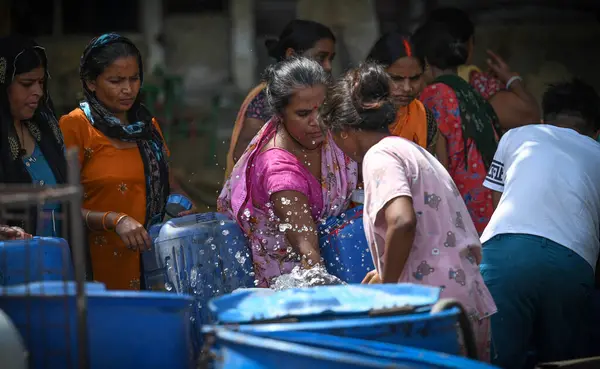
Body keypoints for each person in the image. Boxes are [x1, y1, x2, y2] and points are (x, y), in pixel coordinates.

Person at [321, 62, 496, 361]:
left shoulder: (379, 156)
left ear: (345, 130)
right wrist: (385, 270)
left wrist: (388, 289)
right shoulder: (411, 150)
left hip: (434, 307)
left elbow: (402, 221)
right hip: (464, 298)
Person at [479, 79, 600, 368]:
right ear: (596, 131)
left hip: (505, 253)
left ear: (545, 120)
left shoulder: (517, 135)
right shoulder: (597, 152)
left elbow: (497, 201)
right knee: (566, 362)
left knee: (497, 361)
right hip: (572, 262)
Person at [60, 33, 192, 290]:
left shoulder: (147, 126)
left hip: (154, 264)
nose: (128, 89)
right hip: (97, 269)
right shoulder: (76, 126)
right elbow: (61, 206)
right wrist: (114, 220)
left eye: (134, 79)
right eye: (116, 80)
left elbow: (170, 184)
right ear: (90, 83)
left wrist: (182, 206)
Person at [218, 57, 358, 288]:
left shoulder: (336, 137)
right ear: (280, 115)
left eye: (323, 109)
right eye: (303, 114)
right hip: (286, 286)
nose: (317, 121)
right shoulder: (277, 168)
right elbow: (306, 247)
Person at [416, 23, 500, 234]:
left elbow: (439, 163)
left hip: (463, 205)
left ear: (425, 62)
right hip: (491, 199)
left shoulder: (434, 94)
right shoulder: (469, 91)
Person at [225, 19, 336, 178]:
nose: (328, 66)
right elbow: (243, 155)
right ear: (291, 55)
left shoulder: (319, 94)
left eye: (331, 58)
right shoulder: (268, 96)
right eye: (321, 57)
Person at [427, 7, 540, 130]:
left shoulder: (413, 80)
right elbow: (530, 116)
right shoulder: (480, 85)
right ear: (469, 44)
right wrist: (512, 80)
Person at [0, 35, 67, 239]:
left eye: (41, 82)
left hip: (57, 261)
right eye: (27, 83)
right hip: (13, 263)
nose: (38, 91)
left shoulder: (45, 130)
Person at [367, 32, 438, 152]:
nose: (407, 88)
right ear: (375, 73)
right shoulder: (357, 116)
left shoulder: (425, 117)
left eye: (415, 78)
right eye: (396, 78)